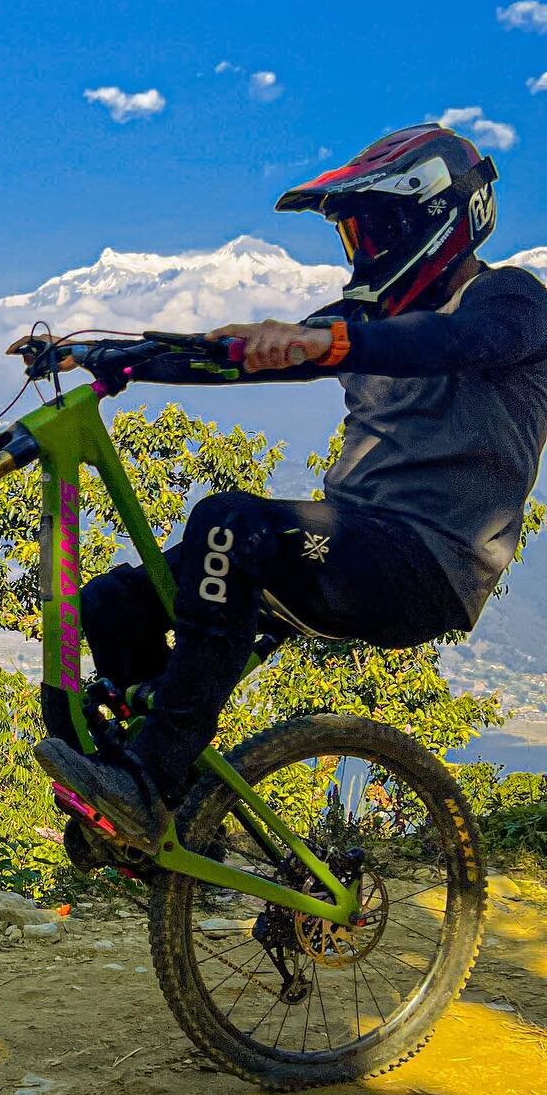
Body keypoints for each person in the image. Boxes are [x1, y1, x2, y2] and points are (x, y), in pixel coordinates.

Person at [33, 123, 547, 855]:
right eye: (354, 237)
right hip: (343, 543)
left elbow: (450, 344)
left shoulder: (511, 300)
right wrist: (111, 357)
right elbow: (241, 358)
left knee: (228, 522)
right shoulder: (368, 319)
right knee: (109, 606)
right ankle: (165, 817)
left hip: (426, 564)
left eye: (376, 230)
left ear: (436, 218)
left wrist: (326, 342)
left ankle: (151, 779)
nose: (365, 252)